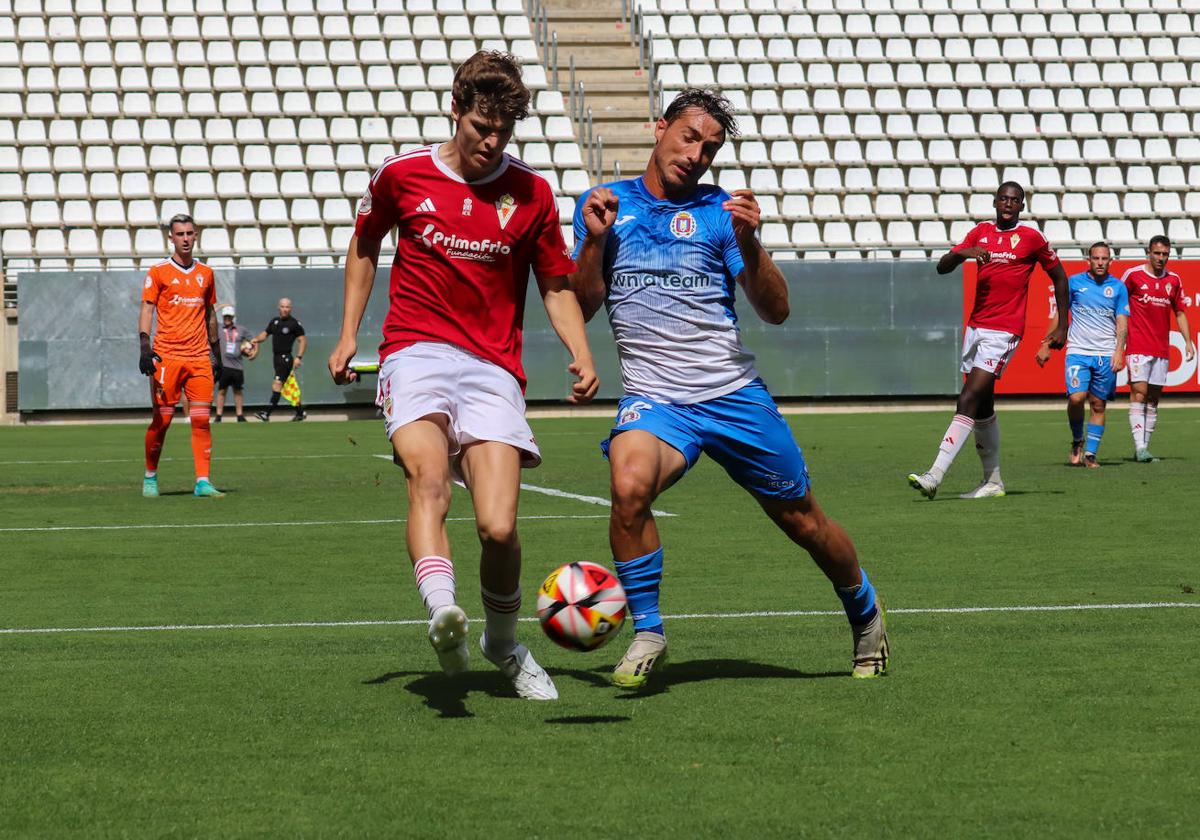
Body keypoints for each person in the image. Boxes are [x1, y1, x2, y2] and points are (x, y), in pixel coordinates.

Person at [569, 88, 888, 688]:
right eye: (689, 137)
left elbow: (778, 311)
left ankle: (865, 611)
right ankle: (649, 631)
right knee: (628, 484)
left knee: (805, 523)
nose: (696, 154)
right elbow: (583, 304)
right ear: (658, 127)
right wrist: (591, 241)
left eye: (710, 149)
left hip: (734, 395)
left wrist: (749, 241)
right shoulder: (606, 205)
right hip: (657, 401)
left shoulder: (722, 213)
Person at [327, 51, 598, 701]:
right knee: (427, 477)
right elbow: (365, 244)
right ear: (456, 109)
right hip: (414, 352)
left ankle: (502, 642)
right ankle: (442, 611)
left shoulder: (530, 193)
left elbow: (556, 285)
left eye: (504, 132)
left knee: (499, 527)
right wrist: (347, 334)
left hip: (493, 367)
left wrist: (582, 350)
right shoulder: (402, 176)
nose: (492, 142)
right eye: (482, 127)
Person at [908, 182, 1070, 499]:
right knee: (982, 406)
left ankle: (935, 475)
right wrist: (961, 254)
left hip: (1004, 331)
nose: (1008, 204)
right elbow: (942, 267)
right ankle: (993, 482)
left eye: (1015, 200)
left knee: (967, 398)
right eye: (1004, 199)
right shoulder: (979, 232)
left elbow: (1060, 277)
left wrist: (1063, 325)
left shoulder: (1031, 238)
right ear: (995, 202)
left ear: (1021, 206)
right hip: (975, 328)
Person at [138, 213, 223, 498]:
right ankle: (150, 476)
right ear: (171, 237)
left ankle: (202, 481)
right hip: (167, 357)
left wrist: (217, 354)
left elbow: (210, 313)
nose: (185, 239)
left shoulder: (206, 273)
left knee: (201, 419)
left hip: (199, 357)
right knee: (162, 421)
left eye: (189, 233)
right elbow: (148, 308)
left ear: (195, 235)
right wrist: (144, 346)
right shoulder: (158, 271)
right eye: (180, 234)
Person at [1034, 242, 1128, 467]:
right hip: (1078, 351)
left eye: (1104, 259)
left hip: (1105, 353)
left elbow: (1122, 323)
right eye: (1096, 258)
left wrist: (1119, 351)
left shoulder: (1118, 288)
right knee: (1076, 398)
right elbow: (1060, 316)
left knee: (1098, 404)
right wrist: (1046, 344)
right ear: (1089, 259)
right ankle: (1077, 439)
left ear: (1110, 261)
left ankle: (1090, 455)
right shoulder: (1074, 283)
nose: (1100, 262)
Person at [1121, 235, 1196, 461]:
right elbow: (1118, 303)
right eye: (1157, 253)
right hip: (1137, 345)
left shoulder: (1174, 280)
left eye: (1165, 254)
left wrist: (1188, 340)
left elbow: (1180, 312)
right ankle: (1139, 446)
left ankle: (1144, 447)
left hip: (1161, 348)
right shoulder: (1133, 276)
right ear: (1149, 252)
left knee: (1153, 399)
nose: (1161, 258)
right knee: (1139, 392)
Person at [251, 298, 307, 421]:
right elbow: (265, 334)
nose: (285, 309)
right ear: (278, 307)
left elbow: (302, 340)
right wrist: (255, 339)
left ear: (290, 308)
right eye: (282, 306)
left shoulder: (294, 324)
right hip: (276, 359)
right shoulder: (274, 322)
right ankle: (300, 413)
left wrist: (298, 357)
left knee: (277, 384)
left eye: (287, 307)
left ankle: (266, 413)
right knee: (289, 386)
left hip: (285, 358)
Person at [213, 305, 256, 423]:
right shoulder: (218, 327)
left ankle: (240, 415)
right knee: (222, 391)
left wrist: (254, 353)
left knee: (238, 391)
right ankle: (218, 415)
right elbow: (208, 316)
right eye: (226, 316)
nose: (227, 319)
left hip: (237, 366)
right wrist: (221, 306)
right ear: (223, 316)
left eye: (229, 317)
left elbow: (253, 340)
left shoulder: (241, 329)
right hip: (223, 366)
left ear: (233, 317)